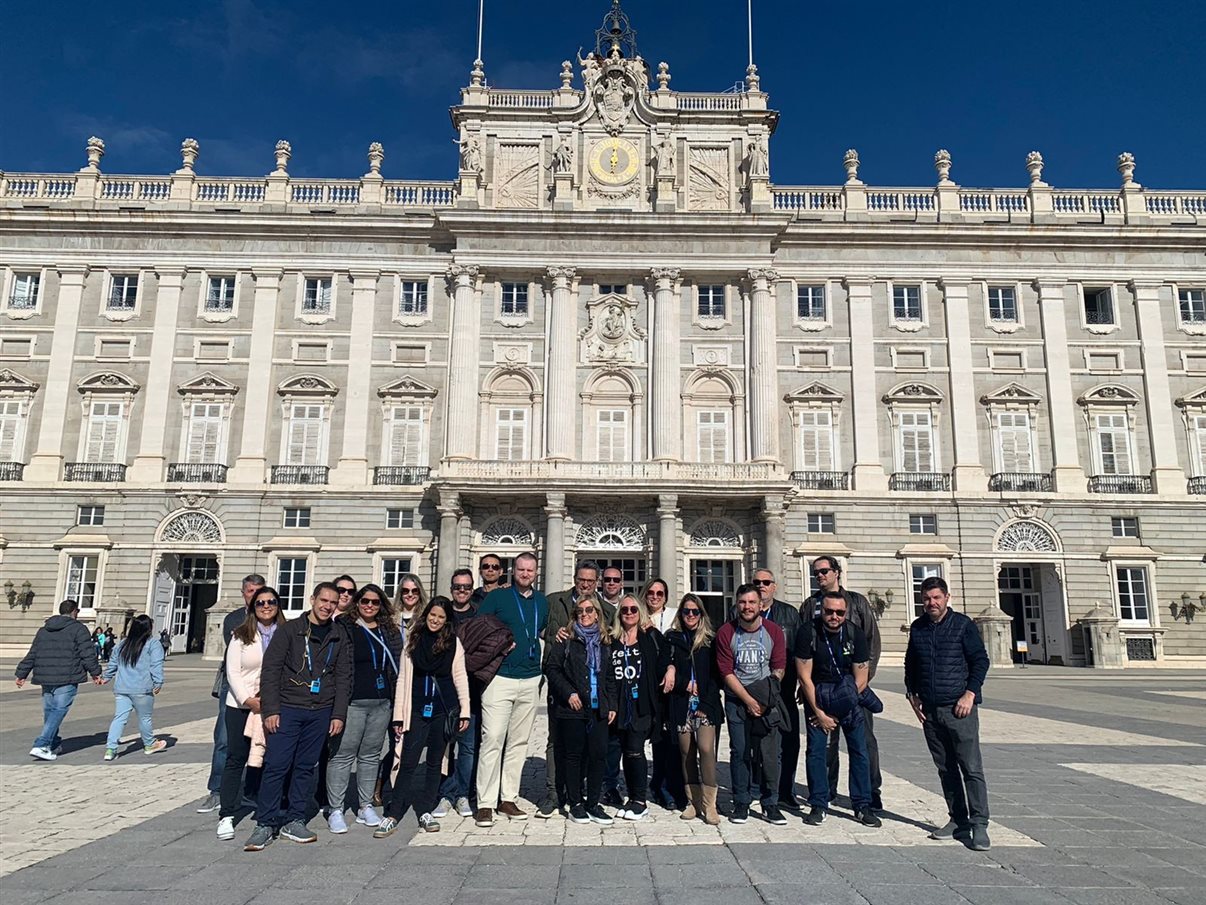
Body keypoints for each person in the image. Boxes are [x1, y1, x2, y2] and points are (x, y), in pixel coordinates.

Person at [243, 582, 353, 852]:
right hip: (288, 708)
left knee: (305, 768)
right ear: (312, 599)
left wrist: (338, 714)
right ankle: (265, 822)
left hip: (320, 711)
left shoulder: (339, 634)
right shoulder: (290, 630)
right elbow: (271, 671)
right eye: (323, 600)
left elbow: (343, 677)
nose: (327, 606)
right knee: (277, 765)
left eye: (333, 602)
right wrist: (271, 710)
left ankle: (295, 818)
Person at [905, 576, 992, 851]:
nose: (931, 603)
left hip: (959, 708)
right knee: (945, 768)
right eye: (927, 598)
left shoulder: (962, 625)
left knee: (971, 767)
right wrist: (911, 694)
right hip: (930, 710)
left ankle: (979, 824)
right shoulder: (918, 628)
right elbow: (911, 663)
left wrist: (970, 694)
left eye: (936, 597)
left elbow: (980, 661)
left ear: (947, 597)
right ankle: (958, 820)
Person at [373, 598, 471, 838]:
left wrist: (465, 710)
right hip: (416, 709)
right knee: (407, 762)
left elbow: (460, 677)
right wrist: (398, 716)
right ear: (426, 615)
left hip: (443, 710)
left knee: (435, 763)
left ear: (447, 620)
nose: (435, 620)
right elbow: (404, 679)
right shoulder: (414, 641)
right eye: (432, 615)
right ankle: (394, 812)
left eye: (440, 617)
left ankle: (425, 810)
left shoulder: (453, 644)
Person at [803, 556, 883, 812]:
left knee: (864, 742)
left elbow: (871, 643)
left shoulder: (857, 602)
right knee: (826, 744)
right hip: (822, 689)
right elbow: (803, 650)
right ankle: (827, 791)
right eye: (816, 572)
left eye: (824, 571)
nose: (820, 575)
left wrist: (858, 685)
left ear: (837, 572)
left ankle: (871, 791)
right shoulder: (809, 605)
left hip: (854, 688)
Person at [473, 551, 548, 827]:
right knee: (492, 737)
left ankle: (508, 797)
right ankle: (485, 802)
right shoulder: (498, 597)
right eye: (520, 570)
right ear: (512, 571)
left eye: (530, 570)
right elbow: (478, 628)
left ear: (536, 572)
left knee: (518, 742)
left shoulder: (542, 601)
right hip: (500, 678)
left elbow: (544, 632)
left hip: (530, 678)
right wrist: (498, 644)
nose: (525, 574)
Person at [325, 583, 402, 833]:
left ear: (381, 605)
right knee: (342, 755)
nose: (369, 605)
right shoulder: (344, 627)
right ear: (357, 602)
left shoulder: (388, 630)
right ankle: (335, 808)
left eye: (375, 602)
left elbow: (397, 664)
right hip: (352, 701)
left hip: (381, 702)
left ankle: (365, 805)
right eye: (365, 601)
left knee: (371, 755)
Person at [538, 560, 613, 818]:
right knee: (557, 743)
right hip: (565, 694)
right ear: (575, 577)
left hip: (595, 701)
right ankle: (555, 794)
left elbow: (611, 665)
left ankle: (589, 799)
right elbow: (537, 631)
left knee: (594, 751)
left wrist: (610, 702)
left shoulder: (605, 621)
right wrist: (554, 635)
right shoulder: (554, 602)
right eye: (582, 579)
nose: (586, 584)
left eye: (591, 581)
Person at [215, 586, 285, 840]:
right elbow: (232, 671)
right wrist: (248, 699)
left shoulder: (285, 633)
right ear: (252, 607)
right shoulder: (240, 635)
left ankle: (265, 804)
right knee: (236, 758)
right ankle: (226, 814)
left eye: (271, 602)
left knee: (271, 759)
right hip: (242, 706)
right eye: (260, 603)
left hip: (274, 706)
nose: (266, 606)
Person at [715, 583, 788, 825]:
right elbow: (726, 671)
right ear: (736, 604)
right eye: (743, 602)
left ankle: (771, 803)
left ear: (761, 604)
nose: (747, 607)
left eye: (751, 602)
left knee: (770, 754)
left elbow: (778, 667)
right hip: (737, 700)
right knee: (740, 751)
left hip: (767, 700)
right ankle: (742, 802)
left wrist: (764, 697)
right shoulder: (726, 632)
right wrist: (747, 699)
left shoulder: (774, 631)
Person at [199, 574, 266, 815]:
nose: (255, 595)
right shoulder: (234, 619)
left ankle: (252, 790)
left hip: (263, 687)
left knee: (260, 739)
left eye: (259, 590)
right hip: (235, 685)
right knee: (226, 739)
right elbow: (238, 655)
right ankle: (217, 790)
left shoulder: (272, 618)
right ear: (244, 593)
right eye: (250, 591)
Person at [14, 599, 103, 760]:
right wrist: (96, 673)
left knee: (50, 711)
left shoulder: (44, 629)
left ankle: (53, 744)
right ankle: (41, 744)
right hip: (67, 676)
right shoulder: (79, 629)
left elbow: (33, 652)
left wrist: (22, 673)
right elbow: (86, 653)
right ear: (74, 611)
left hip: (46, 676)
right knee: (58, 710)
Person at [663, 593, 722, 825]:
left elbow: (717, 676)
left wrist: (707, 703)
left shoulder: (710, 640)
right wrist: (680, 680)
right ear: (680, 614)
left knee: (706, 749)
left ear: (701, 614)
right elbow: (663, 669)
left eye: (694, 611)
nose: (690, 615)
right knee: (686, 752)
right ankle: (692, 802)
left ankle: (710, 804)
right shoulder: (672, 638)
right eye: (686, 611)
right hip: (681, 703)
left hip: (705, 704)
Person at [608, 595, 666, 821]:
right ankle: (631, 797)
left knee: (635, 750)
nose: (629, 612)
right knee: (624, 751)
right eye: (624, 610)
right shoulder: (612, 639)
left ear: (640, 612)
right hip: (619, 703)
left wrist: (670, 670)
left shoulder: (650, 636)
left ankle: (640, 800)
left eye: (633, 609)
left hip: (641, 703)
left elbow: (668, 656)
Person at [749, 569, 803, 810]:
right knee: (757, 742)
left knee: (789, 742)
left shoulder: (789, 614)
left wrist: (802, 682)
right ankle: (758, 787)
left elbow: (800, 652)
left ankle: (786, 791)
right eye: (757, 582)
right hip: (754, 689)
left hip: (785, 689)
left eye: (766, 582)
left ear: (774, 586)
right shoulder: (742, 609)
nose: (761, 586)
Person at [435, 569, 481, 820]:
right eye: (457, 587)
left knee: (467, 746)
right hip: (443, 690)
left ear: (472, 589)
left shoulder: (479, 614)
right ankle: (444, 793)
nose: (461, 591)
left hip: (471, 689)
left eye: (465, 587)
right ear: (451, 589)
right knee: (444, 746)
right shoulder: (442, 613)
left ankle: (461, 792)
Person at [101, 614, 167, 759]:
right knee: (145, 718)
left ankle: (110, 749)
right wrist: (158, 682)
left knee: (119, 718)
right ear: (149, 628)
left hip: (122, 688)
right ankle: (149, 744)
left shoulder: (122, 644)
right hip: (142, 688)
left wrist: (106, 677)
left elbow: (113, 663)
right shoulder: (152, 644)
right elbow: (156, 665)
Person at [642, 578, 683, 811]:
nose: (655, 597)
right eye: (651, 592)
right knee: (656, 737)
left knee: (670, 738)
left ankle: (667, 786)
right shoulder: (635, 614)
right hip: (647, 685)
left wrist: (672, 669)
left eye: (660, 593)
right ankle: (656, 784)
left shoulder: (675, 616)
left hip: (670, 684)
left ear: (666, 596)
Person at [597, 565, 628, 806]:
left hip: (625, 681)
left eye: (615, 579)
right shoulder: (593, 607)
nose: (611, 583)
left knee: (616, 739)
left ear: (622, 582)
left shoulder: (629, 607)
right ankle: (596, 782)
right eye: (607, 579)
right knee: (600, 737)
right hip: (600, 677)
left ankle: (611, 784)